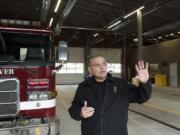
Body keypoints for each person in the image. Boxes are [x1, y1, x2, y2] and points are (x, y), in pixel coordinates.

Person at [69, 55, 152, 135]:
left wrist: (144, 83)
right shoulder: (84, 87)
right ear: (90, 69)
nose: (102, 67)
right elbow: (73, 109)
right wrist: (80, 113)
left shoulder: (121, 84)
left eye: (104, 64)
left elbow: (142, 97)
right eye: (97, 65)